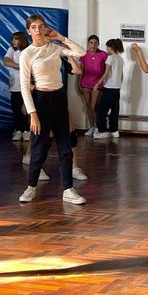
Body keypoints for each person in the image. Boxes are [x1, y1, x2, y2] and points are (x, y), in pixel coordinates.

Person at [18, 14, 87, 204]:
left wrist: (60, 37)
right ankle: (31, 186)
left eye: (41, 26)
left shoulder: (55, 48)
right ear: (29, 31)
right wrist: (33, 113)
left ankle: (68, 189)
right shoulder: (27, 54)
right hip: (41, 100)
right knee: (39, 147)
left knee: (65, 146)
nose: (38, 30)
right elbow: (24, 86)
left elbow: (81, 53)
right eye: (34, 27)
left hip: (59, 98)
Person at [93, 39, 124, 139]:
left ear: (111, 47)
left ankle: (102, 131)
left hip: (109, 88)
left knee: (101, 110)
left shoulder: (110, 58)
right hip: (117, 89)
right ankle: (114, 131)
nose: (106, 49)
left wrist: (97, 83)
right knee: (114, 110)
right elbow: (122, 75)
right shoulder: (120, 59)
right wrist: (118, 84)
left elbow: (106, 73)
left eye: (107, 47)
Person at [4, 31, 31, 142]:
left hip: (26, 86)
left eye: (16, 39)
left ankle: (27, 131)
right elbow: (7, 61)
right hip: (15, 87)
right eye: (13, 39)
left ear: (22, 40)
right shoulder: (11, 50)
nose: (13, 41)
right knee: (16, 109)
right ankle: (19, 131)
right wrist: (19, 66)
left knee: (26, 110)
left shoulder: (28, 51)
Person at [79, 35, 107, 136]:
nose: (93, 45)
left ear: (98, 44)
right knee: (87, 105)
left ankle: (97, 126)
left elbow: (107, 70)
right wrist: (79, 84)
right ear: (88, 43)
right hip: (86, 83)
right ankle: (92, 127)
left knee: (93, 105)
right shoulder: (84, 54)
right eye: (91, 42)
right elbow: (81, 70)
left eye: (95, 43)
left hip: (97, 84)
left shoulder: (103, 55)